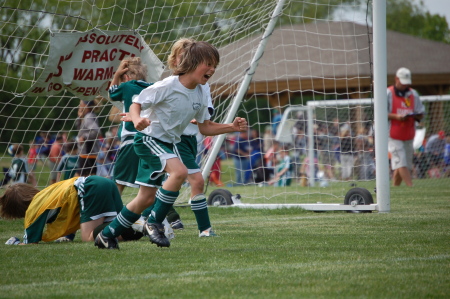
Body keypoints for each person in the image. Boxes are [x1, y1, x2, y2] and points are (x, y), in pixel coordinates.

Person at [95, 40, 247, 249]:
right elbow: (138, 101)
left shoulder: (202, 91)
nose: (212, 69)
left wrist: (232, 127)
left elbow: (205, 127)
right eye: (208, 64)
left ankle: (106, 234)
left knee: (145, 198)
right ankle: (155, 222)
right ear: (192, 63)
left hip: (167, 143)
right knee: (179, 172)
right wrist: (137, 118)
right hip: (148, 139)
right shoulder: (168, 85)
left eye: (215, 65)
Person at [108, 55, 183, 231]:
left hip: (130, 141)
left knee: (117, 183)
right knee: (150, 185)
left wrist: (116, 75)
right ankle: (168, 217)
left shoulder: (127, 86)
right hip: (150, 141)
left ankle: (112, 217)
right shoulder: (152, 87)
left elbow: (112, 93)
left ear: (126, 76)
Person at [0, 176, 142, 247]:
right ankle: (138, 225)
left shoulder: (34, 209)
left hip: (90, 188)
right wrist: (68, 236)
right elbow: (71, 212)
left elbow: (30, 243)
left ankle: (136, 223)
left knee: (89, 238)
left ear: (16, 209)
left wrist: (13, 242)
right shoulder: (47, 194)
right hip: (105, 183)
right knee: (115, 233)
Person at [387, 67, 424, 187]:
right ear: (396, 79)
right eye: (403, 82)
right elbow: (380, 113)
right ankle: (411, 186)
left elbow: (420, 112)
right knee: (401, 162)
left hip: (408, 134)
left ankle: (395, 188)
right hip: (393, 134)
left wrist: (417, 116)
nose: (405, 85)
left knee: (404, 164)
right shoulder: (388, 93)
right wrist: (396, 116)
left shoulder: (413, 94)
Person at [76, 99, 102, 177]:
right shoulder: (87, 116)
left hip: (88, 151)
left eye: (81, 104)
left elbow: (96, 131)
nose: (79, 106)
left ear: (86, 106)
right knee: (88, 176)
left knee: (80, 177)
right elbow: (79, 129)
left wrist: (84, 137)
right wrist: (80, 117)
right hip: (87, 152)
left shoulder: (88, 117)